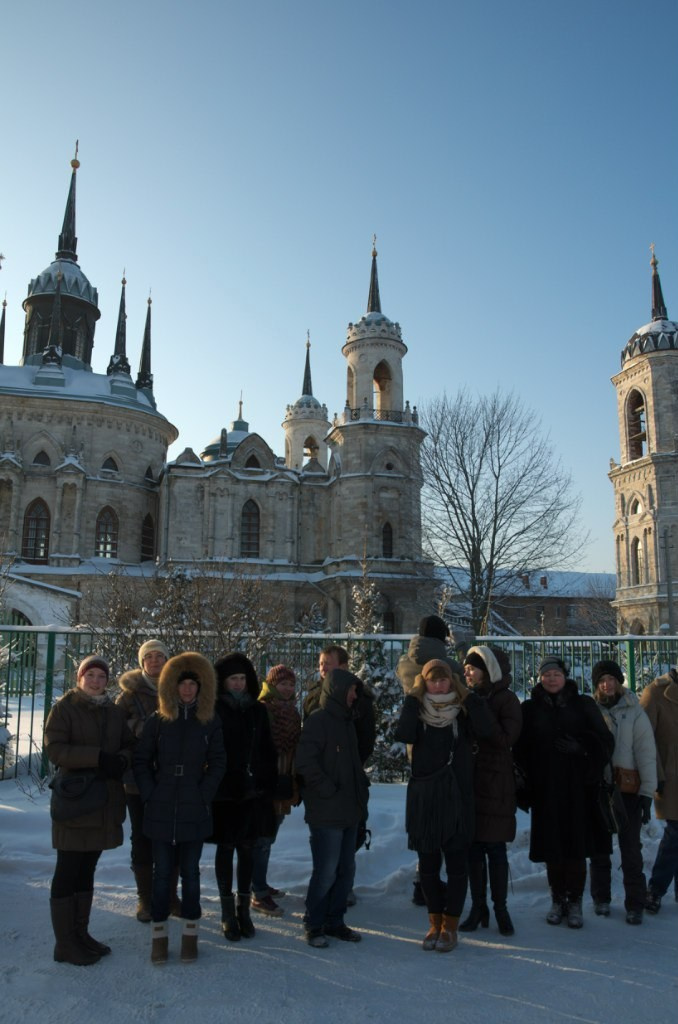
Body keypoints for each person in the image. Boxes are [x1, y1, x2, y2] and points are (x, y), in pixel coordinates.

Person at [394, 659, 493, 953]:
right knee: (427, 865)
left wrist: (470, 698)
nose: (438, 686)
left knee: (456, 863)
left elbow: (487, 730)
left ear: (452, 681)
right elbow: (403, 734)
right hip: (425, 797)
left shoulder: (461, 712)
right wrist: (413, 700)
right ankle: (434, 922)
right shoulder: (418, 709)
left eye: (443, 680)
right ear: (424, 682)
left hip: (456, 796)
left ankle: (450, 925)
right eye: (432, 681)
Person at [133, 652, 226, 964]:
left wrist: (204, 794)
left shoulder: (208, 721)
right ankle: (159, 936)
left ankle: (190, 934)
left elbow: (218, 762)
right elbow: (141, 760)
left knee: (190, 873)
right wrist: (150, 792)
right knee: (161, 875)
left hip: (193, 806)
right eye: (182, 684)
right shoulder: (158, 721)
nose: (187, 690)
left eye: (192, 685)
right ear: (173, 687)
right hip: (161, 805)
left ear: (200, 689)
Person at [513, 655, 614, 929]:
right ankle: (557, 899)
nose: (552, 679)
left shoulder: (583, 705)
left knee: (576, 848)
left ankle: (576, 901)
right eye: (547, 675)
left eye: (556, 674)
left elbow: (605, 741)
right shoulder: (531, 708)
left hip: (579, 788)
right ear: (540, 678)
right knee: (553, 848)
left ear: (565, 676)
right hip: (546, 789)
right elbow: (520, 748)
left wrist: (582, 747)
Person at [45, 654, 133, 965]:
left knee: (87, 869)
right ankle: (64, 944)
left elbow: (128, 742)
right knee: (68, 869)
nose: (96, 681)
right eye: (90, 675)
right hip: (76, 802)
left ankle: (80, 934)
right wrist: (97, 757)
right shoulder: (65, 709)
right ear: (79, 678)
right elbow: (55, 750)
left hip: (103, 801)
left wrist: (121, 759)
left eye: (101, 676)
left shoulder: (113, 711)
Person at [296, 667, 369, 947]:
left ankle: (335, 921)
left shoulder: (348, 722)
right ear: (338, 690)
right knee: (326, 870)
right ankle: (314, 923)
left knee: (345, 870)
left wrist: (360, 793)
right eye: (352, 690)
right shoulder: (319, 721)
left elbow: (353, 766)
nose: (354, 696)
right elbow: (305, 763)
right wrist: (327, 790)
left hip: (349, 809)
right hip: (326, 812)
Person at [209, 652, 278, 941]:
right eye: (232, 679)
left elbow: (267, 748)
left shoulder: (257, 710)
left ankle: (244, 910)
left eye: (241, 679)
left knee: (247, 849)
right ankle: (227, 912)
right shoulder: (213, 709)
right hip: (223, 791)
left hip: (251, 790)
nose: (237, 684)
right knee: (225, 849)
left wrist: (265, 781)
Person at [397, 615, 464, 906]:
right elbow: (463, 679)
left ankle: (422, 882)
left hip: (418, 750)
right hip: (445, 750)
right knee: (448, 824)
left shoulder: (404, 662)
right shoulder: (445, 665)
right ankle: (444, 886)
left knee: (425, 828)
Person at [459, 645, 522, 936]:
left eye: (472, 667)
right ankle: (478, 907)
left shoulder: (506, 700)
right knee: (473, 849)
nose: (466, 672)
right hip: (470, 781)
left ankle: (500, 908)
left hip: (495, 782)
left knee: (495, 850)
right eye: (466, 668)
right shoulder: (465, 697)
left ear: (487, 670)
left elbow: (505, 739)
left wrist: (479, 710)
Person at [588, 660, 656, 925]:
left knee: (630, 849)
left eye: (612, 680)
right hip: (599, 787)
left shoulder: (634, 711)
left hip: (627, 787)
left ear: (619, 682)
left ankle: (635, 903)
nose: (607, 685)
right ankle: (601, 898)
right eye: (603, 680)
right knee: (600, 848)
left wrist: (647, 793)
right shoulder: (591, 710)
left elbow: (646, 753)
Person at [116, 638, 172, 922]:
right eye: (148, 657)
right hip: (136, 777)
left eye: (159, 656)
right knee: (141, 836)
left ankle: (169, 894)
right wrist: (146, 727)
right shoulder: (129, 694)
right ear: (142, 662)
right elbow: (115, 730)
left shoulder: (177, 688)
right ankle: (145, 897)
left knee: (170, 834)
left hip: (170, 776)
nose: (154, 661)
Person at [251, 664, 302, 917]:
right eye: (282, 683)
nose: (287, 688)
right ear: (271, 685)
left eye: (291, 684)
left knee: (269, 837)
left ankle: (260, 883)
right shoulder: (262, 710)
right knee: (261, 839)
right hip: (267, 785)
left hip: (284, 782)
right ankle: (257, 891)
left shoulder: (292, 711)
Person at [639, 663, 678, 914]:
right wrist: (656, 775)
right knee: (675, 833)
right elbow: (644, 737)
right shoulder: (655, 692)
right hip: (671, 775)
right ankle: (655, 889)